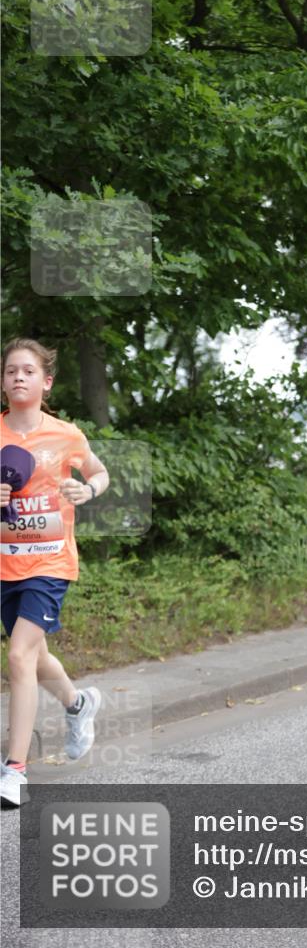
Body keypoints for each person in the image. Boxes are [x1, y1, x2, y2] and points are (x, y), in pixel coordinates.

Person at [0, 337, 109, 808]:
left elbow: (99, 473)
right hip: (6, 563)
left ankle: (14, 770)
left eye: (27, 370)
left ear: (46, 382)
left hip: (50, 562)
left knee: (19, 656)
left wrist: (88, 491)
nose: (18, 377)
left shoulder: (66, 435)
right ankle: (78, 703)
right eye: (10, 371)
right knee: (37, 658)